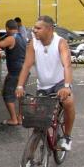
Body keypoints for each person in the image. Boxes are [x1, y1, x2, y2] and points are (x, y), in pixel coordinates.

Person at [15, 15, 75, 151]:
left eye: (38, 28)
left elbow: (67, 65)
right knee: (38, 122)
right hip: (43, 85)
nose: (34, 30)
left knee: (69, 102)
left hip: (60, 83)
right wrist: (20, 86)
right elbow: (26, 65)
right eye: (34, 27)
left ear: (49, 29)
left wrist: (67, 87)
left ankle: (67, 137)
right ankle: (29, 157)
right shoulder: (33, 43)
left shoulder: (60, 42)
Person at [0, 19, 27, 125]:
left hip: (15, 71)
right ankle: (20, 117)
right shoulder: (22, 37)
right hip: (23, 70)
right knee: (20, 95)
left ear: (7, 28)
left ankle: (13, 119)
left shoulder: (11, 38)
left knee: (7, 94)